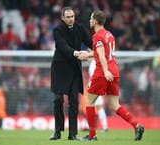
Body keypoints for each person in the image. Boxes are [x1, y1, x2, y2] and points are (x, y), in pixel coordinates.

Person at [77, 10, 144, 141]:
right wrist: (87, 55)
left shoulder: (97, 36)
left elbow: (102, 56)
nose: (90, 21)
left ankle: (92, 136)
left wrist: (105, 70)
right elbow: (106, 53)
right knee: (114, 105)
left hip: (103, 71)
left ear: (95, 21)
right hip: (114, 70)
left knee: (89, 101)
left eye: (91, 18)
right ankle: (137, 125)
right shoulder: (109, 35)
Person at [49, 7, 92, 141]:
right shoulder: (57, 30)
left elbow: (90, 42)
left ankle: (72, 134)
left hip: (74, 70)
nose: (70, 19)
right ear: (62, 18)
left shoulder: (80, 28)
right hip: (60, 69)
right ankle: (57, 131)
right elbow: (62, 46)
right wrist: (76, 53)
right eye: (67, 17)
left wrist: (100, 48)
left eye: (72, 16)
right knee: (58, 100)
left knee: (74, 102)